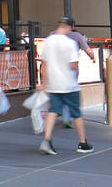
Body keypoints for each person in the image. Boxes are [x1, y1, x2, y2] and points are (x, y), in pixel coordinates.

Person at [37, 15, 93, 154]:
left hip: (53, 84)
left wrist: (44, 83)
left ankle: (47, 140)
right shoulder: (69, 43)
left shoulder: (48, 41)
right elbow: (73, 64)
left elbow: (44, 64)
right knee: (76, 113)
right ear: (69, 27)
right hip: (69, 84)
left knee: (53, 111)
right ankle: (82, 143)